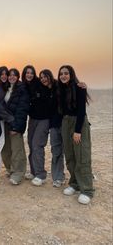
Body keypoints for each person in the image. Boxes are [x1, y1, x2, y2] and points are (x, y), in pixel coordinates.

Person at [57, 65, 94, 205]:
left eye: (66, 73)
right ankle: (75, 183)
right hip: (65, 123)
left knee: (82, 155)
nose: (63, 76)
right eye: (61, 74)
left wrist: (78, 131)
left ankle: (87, 189)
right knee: (70, 155)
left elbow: (81, 111)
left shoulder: (79, 88)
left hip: (79, 123)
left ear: (71, 74)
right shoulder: (60, 89)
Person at [1, 68, 30, 185]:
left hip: (15, 124)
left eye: (14, 75)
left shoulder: (21, 89)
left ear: (18, 77)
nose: (11, 77)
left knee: (17, 149)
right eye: (10, 75)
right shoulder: (6, 88)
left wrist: (16, 127)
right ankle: (10, 169)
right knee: (5, 149)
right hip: (5, 123)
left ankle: (18, 173)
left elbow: (22, 110)